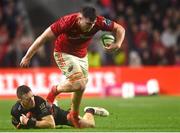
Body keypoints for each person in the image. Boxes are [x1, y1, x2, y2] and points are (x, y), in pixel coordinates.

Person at [20, 6, 125, 128]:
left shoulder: (99, 22)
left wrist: (118, 43)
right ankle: (54, 91)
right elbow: (43, 38)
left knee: (82, 84)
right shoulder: (66, 22)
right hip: (63, 53)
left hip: (81, 56)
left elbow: (120, 29)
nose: (90, 27)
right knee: (79, 82)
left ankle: (73, 114)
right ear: (79, 19)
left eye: (92, 24)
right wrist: (28, 56)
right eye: (87, 24)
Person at [11, 85, 109, 129]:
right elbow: (17, 124)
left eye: (32, 96)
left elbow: (51, 124)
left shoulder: (39, 101)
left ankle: (90, 110)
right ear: (20, 101)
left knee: (90, 125)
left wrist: (29, 122)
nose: (32, 100)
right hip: (48, 114)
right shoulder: (15, 110)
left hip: (58, 116)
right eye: (28, 99)